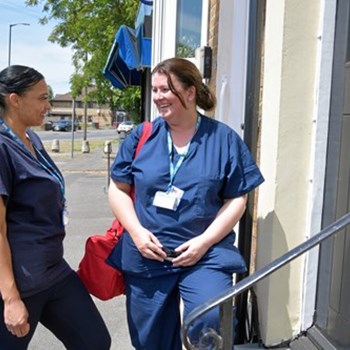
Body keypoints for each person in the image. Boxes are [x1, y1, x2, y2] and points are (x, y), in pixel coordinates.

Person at [107, 57, 264, 349]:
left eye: (165, 89)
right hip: (147, 257)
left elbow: (237, 198)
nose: (157, 97)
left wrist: (204, 241)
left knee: (211, 320)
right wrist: (138, 233)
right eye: (154, 90)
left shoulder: (223, 139)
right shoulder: (142, 136)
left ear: (190, 92)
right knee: (150, 340)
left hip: (204, 255)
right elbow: (117, 189)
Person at [0, 65, 111, 350]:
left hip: (52, 271)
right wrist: (11, 298)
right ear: (14, 99)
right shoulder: (2, 148)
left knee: (94, 341)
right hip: (19, 283)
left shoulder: (31, 138)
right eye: (41, 98)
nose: (48, 106)